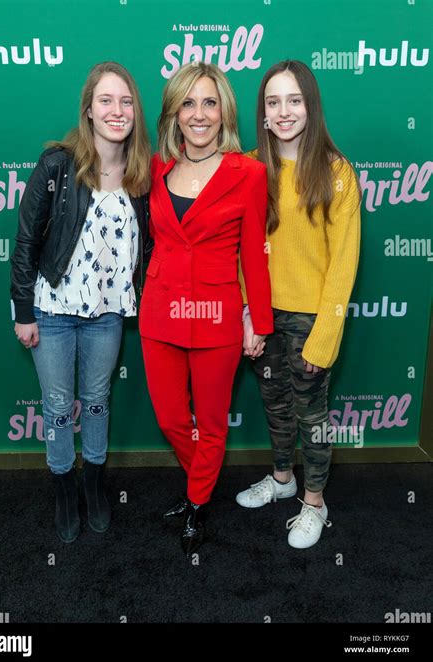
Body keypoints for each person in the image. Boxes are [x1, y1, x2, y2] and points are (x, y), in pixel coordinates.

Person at [10, 62, 152, 543]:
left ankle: (94, 482)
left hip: (107, 315)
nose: (117, 110)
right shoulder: (57, 164)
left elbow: (148, 248)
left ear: (135, 111)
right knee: (55, 406)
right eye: (107, 101)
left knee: (95, 402)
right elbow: (27, 240)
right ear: (88, 110)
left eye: (126, 101)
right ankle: (64, 488)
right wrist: (23, 311)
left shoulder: (141, 175)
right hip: (51, 311)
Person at [139, 62, 273, 557]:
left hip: (217, 316)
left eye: (209, 103)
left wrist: (258, 321)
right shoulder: (156, 169)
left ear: (224, 112)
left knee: (212, 424)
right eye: (188, 103)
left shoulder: (250, 173)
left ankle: (196, 502)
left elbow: (255, 253)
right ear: (174, 113)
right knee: (173, 418)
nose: (199, 114)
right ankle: (203, 483)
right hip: (159, 311)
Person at [237, 60, 361, 548]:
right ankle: (283, 479)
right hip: (263, 317)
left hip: (311, 319)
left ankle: (314, 502)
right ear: (263, 112)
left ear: (310, 106)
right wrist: (248, 314)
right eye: (273, 102)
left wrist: (324, 337)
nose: (283, 111)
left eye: (293, 100)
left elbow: (343, 265)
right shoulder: (248, 169)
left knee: (313, 417)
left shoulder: (336, 173)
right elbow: (240, 252)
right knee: (277, 408)